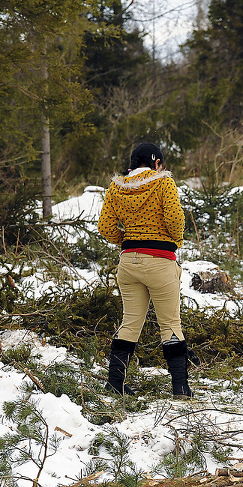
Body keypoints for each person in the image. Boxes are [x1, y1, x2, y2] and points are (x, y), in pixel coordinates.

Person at [97, 142, 197, 399]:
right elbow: (176, 220)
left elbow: (106, 227)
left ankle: (115, 383)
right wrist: (174, 242)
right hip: (160, 262)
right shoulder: (163, 183)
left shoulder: (116, 187)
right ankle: (180, 388)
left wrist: (129, 241)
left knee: (129, 323)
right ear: (156, 164)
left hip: (128, 263)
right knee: (171, 325)